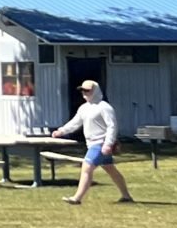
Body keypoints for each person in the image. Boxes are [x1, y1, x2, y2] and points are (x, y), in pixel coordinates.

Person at [51, 77, 134, 207]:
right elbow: (75, 122)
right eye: (83, 91)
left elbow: (112, 126)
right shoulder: (84, 108)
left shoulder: (104, 107)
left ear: (95, 91)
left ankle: (77, 198)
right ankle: (126, 196)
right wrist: (61, 131)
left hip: (100, 143)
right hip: (92, 143)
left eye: (88, 91)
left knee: (86, 167)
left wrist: (108, 144)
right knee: (111, 169)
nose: (84, 93)